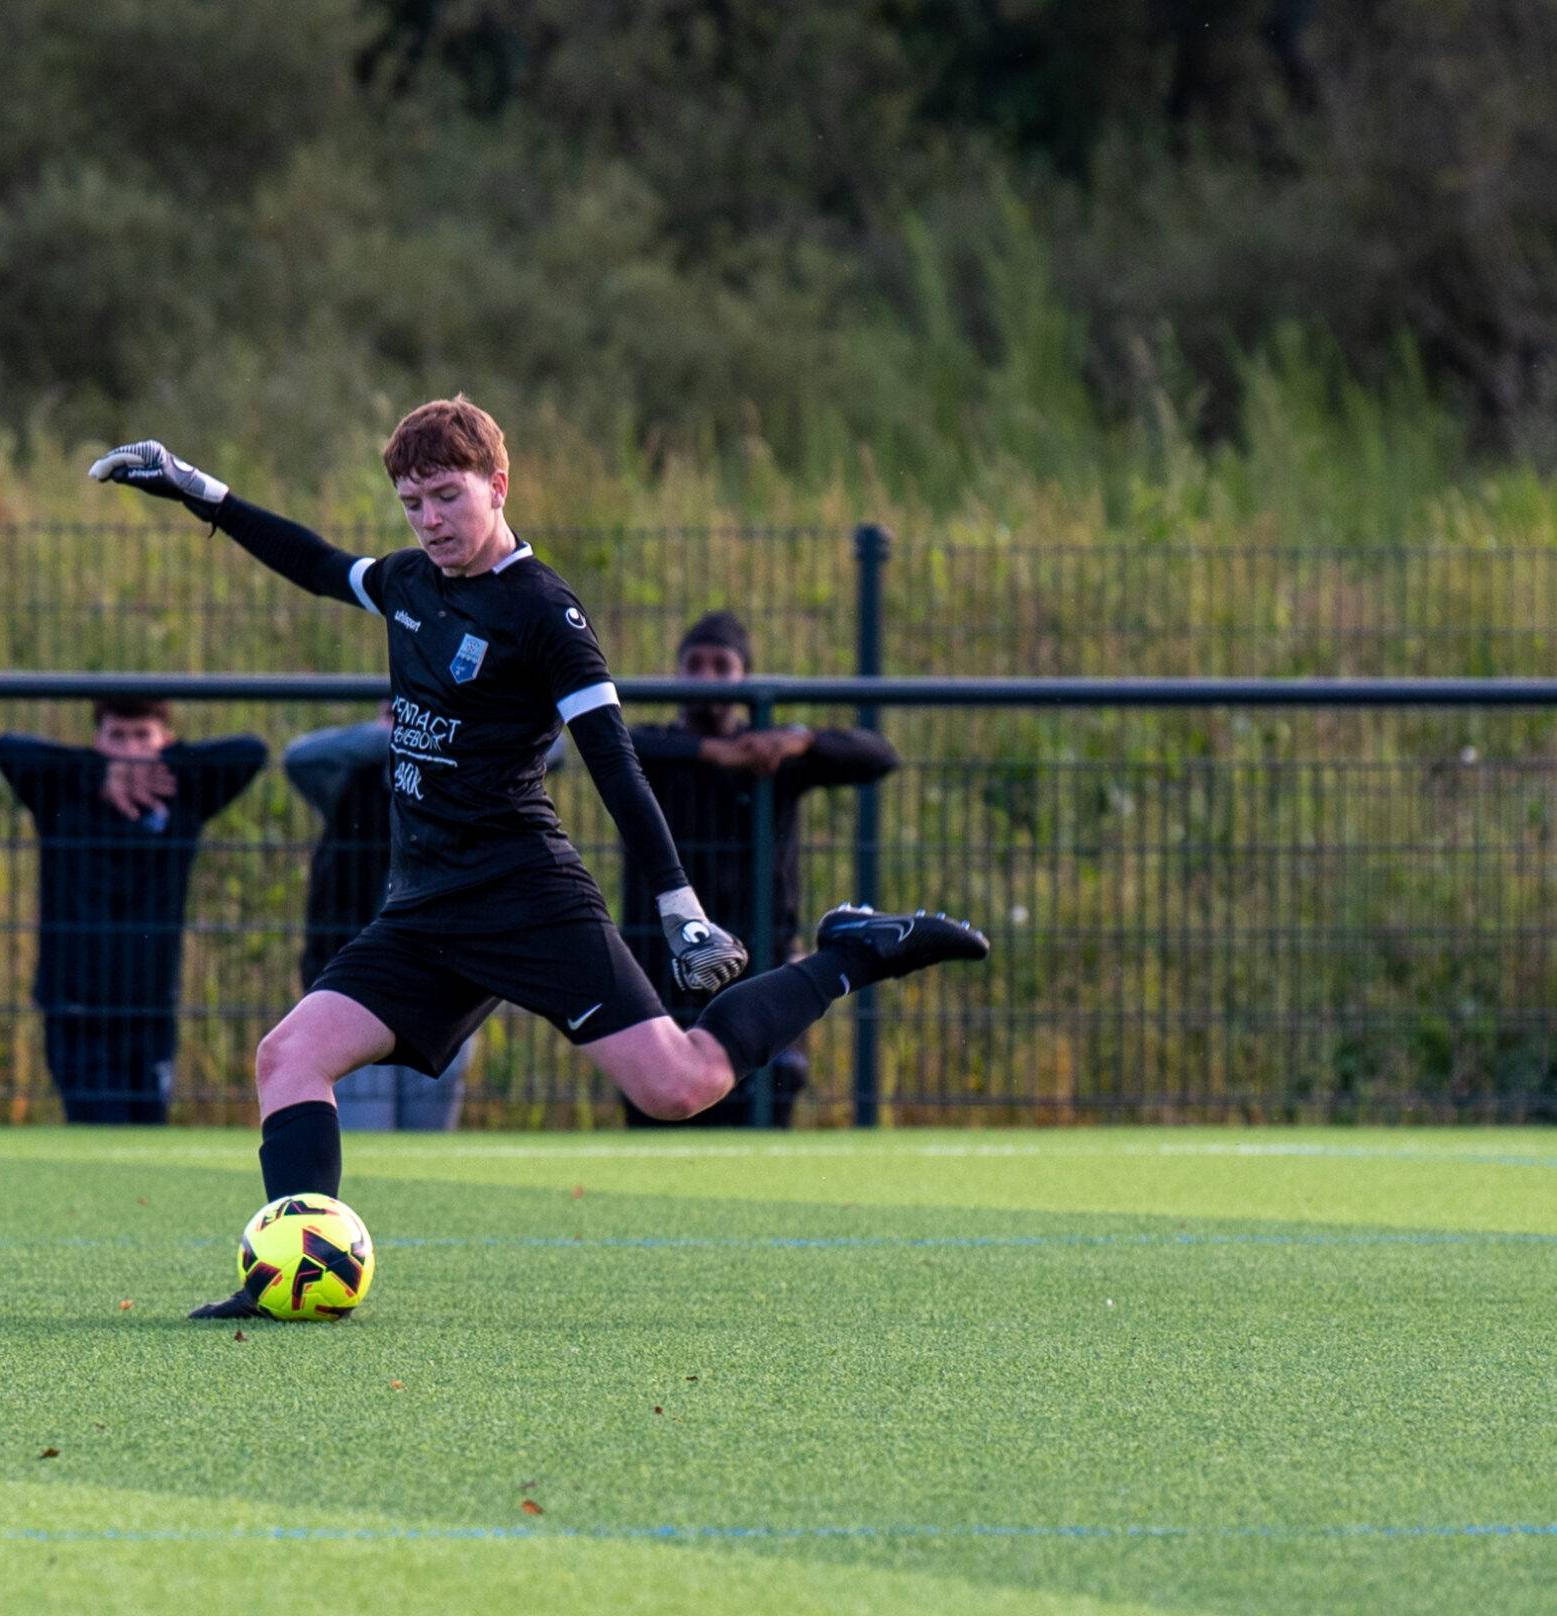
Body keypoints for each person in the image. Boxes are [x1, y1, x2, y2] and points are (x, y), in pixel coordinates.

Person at [90, 396, 988, 1318]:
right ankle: (290, 1275)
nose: (430, 519)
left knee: (679, 1086)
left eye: (447, 495)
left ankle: (849, 954)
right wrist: (201, 493)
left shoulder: (545, 611)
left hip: (526, 897)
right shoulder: (409, 583)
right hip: (423, 911)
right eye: (412, 503)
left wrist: (679, 907)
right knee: (288, 1056)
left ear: (498, 485)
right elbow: (317, 564)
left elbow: (614, 764)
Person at [621, 610, 901, 1128]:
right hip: (662, 959)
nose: (707, 678)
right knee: (660, 1105)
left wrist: (803, 740)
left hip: (759, 959)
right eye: (694, 665)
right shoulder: (652, 751)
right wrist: (713, 754)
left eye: (721, 666)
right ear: (676, 674)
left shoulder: (769, 754)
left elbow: (878, 755)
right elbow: (616, 743)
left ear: (745, 676)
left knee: (771, 1095)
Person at [0, 700, 266, 1125]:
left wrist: (166, 764)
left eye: (143, 736)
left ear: (165, 740)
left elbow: (251, 751)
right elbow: (7, 747)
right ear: (97, 741)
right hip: (77, 1010)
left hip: (151, 1009)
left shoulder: (180, 790)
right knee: (101, 1128)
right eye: (117, 737)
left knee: (148, 1129)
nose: (130, 749)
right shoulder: (63, 792)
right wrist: (98, 774)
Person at [286, 711, 472, 1129]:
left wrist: (453, 735)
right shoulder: (352, 782)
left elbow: (553, 747)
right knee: (364, 1136)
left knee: (426, 1147)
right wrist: (399, 736)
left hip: (443, 993)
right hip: (358, 992)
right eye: (399, 713)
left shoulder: (469, 780)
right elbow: (299, 756)